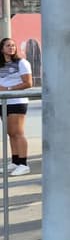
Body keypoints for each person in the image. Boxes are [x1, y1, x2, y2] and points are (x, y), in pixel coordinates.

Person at [0, 38, 33, 176]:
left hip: (17, 101)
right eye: (8, 46)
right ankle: (15, 161)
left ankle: (23, 163)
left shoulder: (22, 63)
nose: (11, 48)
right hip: (3, 102)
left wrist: (8, 89)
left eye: (13, 45)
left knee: (18, 132)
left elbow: (28, 83)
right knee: (10, 133)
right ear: (2, 49)